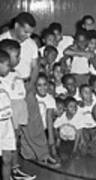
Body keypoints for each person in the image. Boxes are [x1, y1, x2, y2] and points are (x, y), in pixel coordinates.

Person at [0, 12, 55, 164]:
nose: (28, 35)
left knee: (33, 120)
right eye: (25, 31)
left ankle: (42, 154)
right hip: (5, 89)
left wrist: (30, 87)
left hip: (25, 85)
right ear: (16, 26)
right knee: (9, 128)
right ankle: (14, 162)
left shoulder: (30, 43)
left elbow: (36, 66)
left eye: (31, 32)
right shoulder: (2, 39)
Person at [0, 39, 36, 180]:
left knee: (11, 150)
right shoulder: (4, 78)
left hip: (10, 117)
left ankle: (13, 172)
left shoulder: (14, 73)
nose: (19, 59)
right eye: (16, 56)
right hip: (6, 117)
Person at [0, 50, 16, 180]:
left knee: (7, 158)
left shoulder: (5, 81)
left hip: (6, 125)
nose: (9, 68)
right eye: (7, 65)